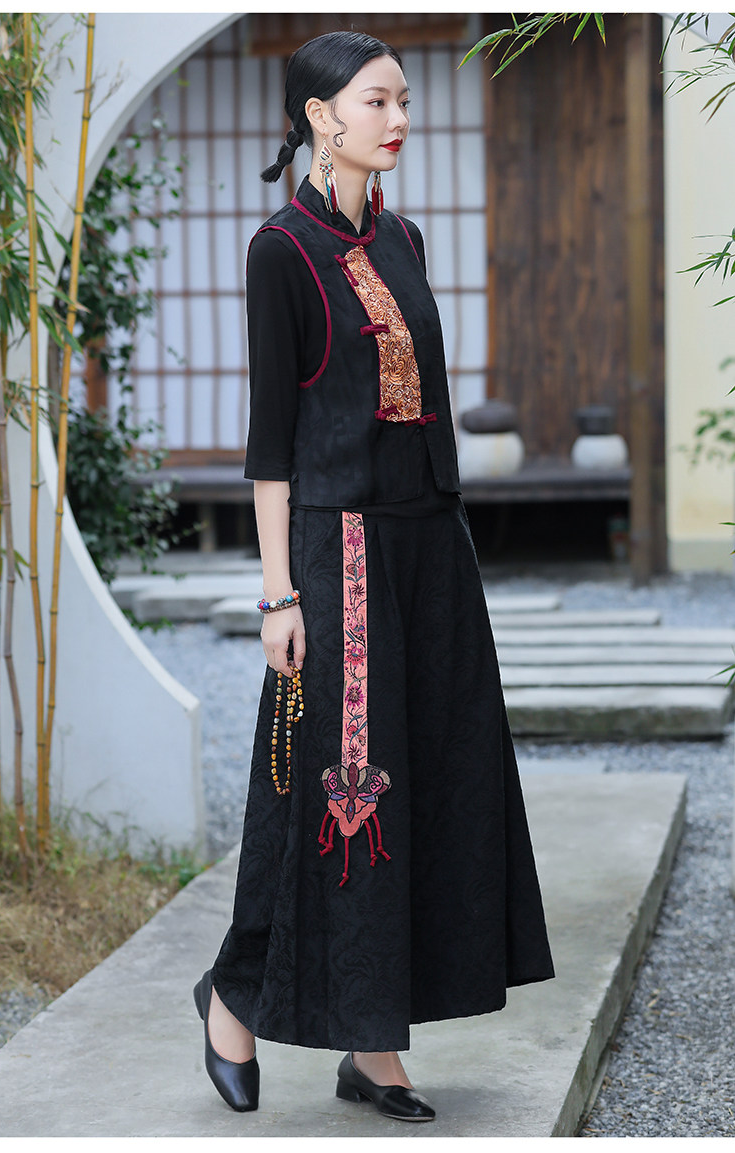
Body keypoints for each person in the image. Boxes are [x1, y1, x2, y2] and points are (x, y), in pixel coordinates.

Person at [194, 29, 554, 1124]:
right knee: (331, 790)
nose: (398, 118)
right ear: (321, 116)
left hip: (431, 550)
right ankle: (235, 997)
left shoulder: (404, 236)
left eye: (403, 100)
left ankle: (373, 1046)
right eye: (377, 100)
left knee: (436, 778)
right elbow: (271, 443)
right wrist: (277, 593)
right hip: (337, 555)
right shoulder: (280, 251)